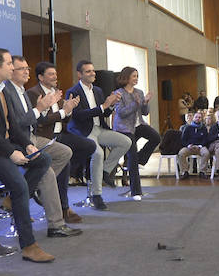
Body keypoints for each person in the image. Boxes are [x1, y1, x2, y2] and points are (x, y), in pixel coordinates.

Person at [0, 48, 58, 261]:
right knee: (20, 185)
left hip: (2, 145)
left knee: (43, 159)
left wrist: (26, 145)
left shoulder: (2, 90)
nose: (12, 67)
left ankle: (13, 201)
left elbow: (13, 125)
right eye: (8, 64)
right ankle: (28, 245)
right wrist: (12, 152)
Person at [5, 56, 81, 236]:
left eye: (27, 68)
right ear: (10, 72)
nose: (26, 72)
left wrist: (54, 109)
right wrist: (41, 108)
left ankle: (29, 189)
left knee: (65, 152)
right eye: (21, 68)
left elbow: (33, 119)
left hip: (31, 136)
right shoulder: (8, 92)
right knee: (46, 171)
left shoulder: (21, 90)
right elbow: (17, 124)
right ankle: (56, 224)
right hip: (20, 139)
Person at [28, 61, 97, 212]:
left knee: (89, 146)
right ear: (41, 77)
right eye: (51, 74)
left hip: (62, 134)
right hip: (45, 136)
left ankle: (59, 174)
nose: (55, 77)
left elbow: (64, 118)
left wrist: (69, 110)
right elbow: (40, 121)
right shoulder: (34, 93)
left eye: (55, 74)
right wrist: (63, 112)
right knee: (65, 162)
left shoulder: (56, 92)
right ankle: (63, 207)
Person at [65, 60, 131, 209]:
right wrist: (104, 106)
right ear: (79, 74)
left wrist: (111, 104)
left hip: (99, 128)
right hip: (83, 131)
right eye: (88, 71)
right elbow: (79, 116)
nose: (93, 73)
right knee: (98, 153)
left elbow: (104, 112)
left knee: (125, 142)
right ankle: (96, 195)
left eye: (93, 71)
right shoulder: (73, 92)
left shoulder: (98, 91)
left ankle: (105, 171)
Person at [111, 66, 160, 199]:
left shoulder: (139, 91)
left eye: (137, 76)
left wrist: (145, 103)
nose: (136, 79)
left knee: (156, 137)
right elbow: (121, 113)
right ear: (126, 77)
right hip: (124, 128)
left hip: (138, 125)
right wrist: (135, 104)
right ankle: (136, 191)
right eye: (134, 76)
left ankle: (139, 159)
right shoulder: (118, 93)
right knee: (132, 156)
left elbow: (145, 112)